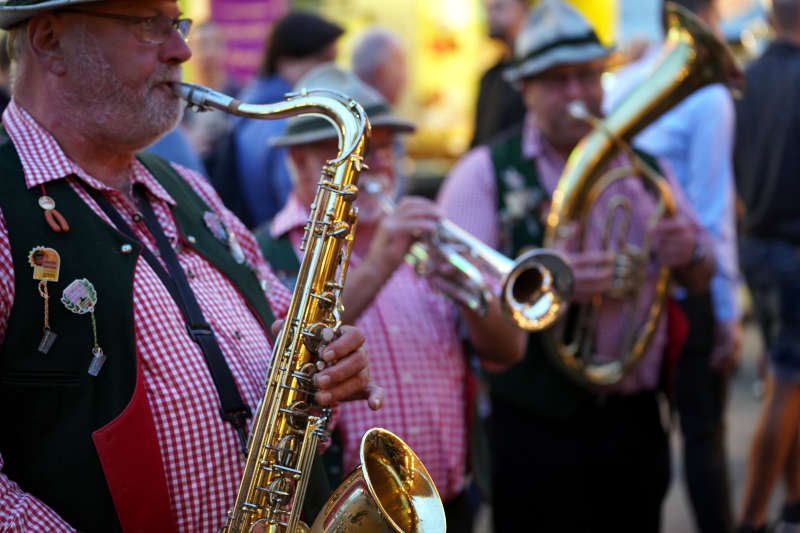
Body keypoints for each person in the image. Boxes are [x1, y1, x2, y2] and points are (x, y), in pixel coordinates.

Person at [0, 1, 382, 531]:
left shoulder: (190, 190)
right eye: (147, 25)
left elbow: (294, 352)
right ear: (49, 41)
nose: (182, 50)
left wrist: (327, 372)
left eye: (177, 23)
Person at [438, 1, 715, 531]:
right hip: (534, 427)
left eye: (587, 76)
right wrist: (546, 285)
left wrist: (692, 253)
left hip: (632, 422)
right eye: (556, 81)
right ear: (525, 89)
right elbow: (458, 298)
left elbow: (700, 275)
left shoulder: (644, 169)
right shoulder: (483, 174)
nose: (576, 95)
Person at [254, 63, 527, 531]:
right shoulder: (267, 253)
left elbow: (509, 350)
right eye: (360, 151)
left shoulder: (424, 246)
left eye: (386, 149)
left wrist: (470, 295)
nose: (379, 164)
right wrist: (381, 262)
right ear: (300, 160)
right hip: (346, 516)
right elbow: (283, 363)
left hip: (449, 504)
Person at [606, 1, 741, 531]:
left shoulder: (625, 82)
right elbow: (710, 211)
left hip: (634, 293)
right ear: (707, 16)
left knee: (641, 436)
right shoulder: (708, 95)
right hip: (687, 289)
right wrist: (726, 309)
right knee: (704, 437)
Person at [734, 1, 800, 531]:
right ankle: (752, 518)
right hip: (790, 249)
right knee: (786, 382)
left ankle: (792, 502)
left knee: (787, 378)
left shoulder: (746, 77)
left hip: (756, 245)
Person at [208, 11, 343, 229]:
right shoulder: (287, 121)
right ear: (286, 61)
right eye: (325, 60)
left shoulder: (253, 104)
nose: (332, 71)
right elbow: (301, 208)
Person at [470, 0, 529, 147]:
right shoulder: (490, 77)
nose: (490, 16)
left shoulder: (540, 75)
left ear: (523, 9)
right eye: (487, 9)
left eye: (498, 7)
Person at [351, 27, 408, 106]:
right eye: (400, 63)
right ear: (379, 71)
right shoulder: (371, 114)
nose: (404, 77)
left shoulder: (346, 107)